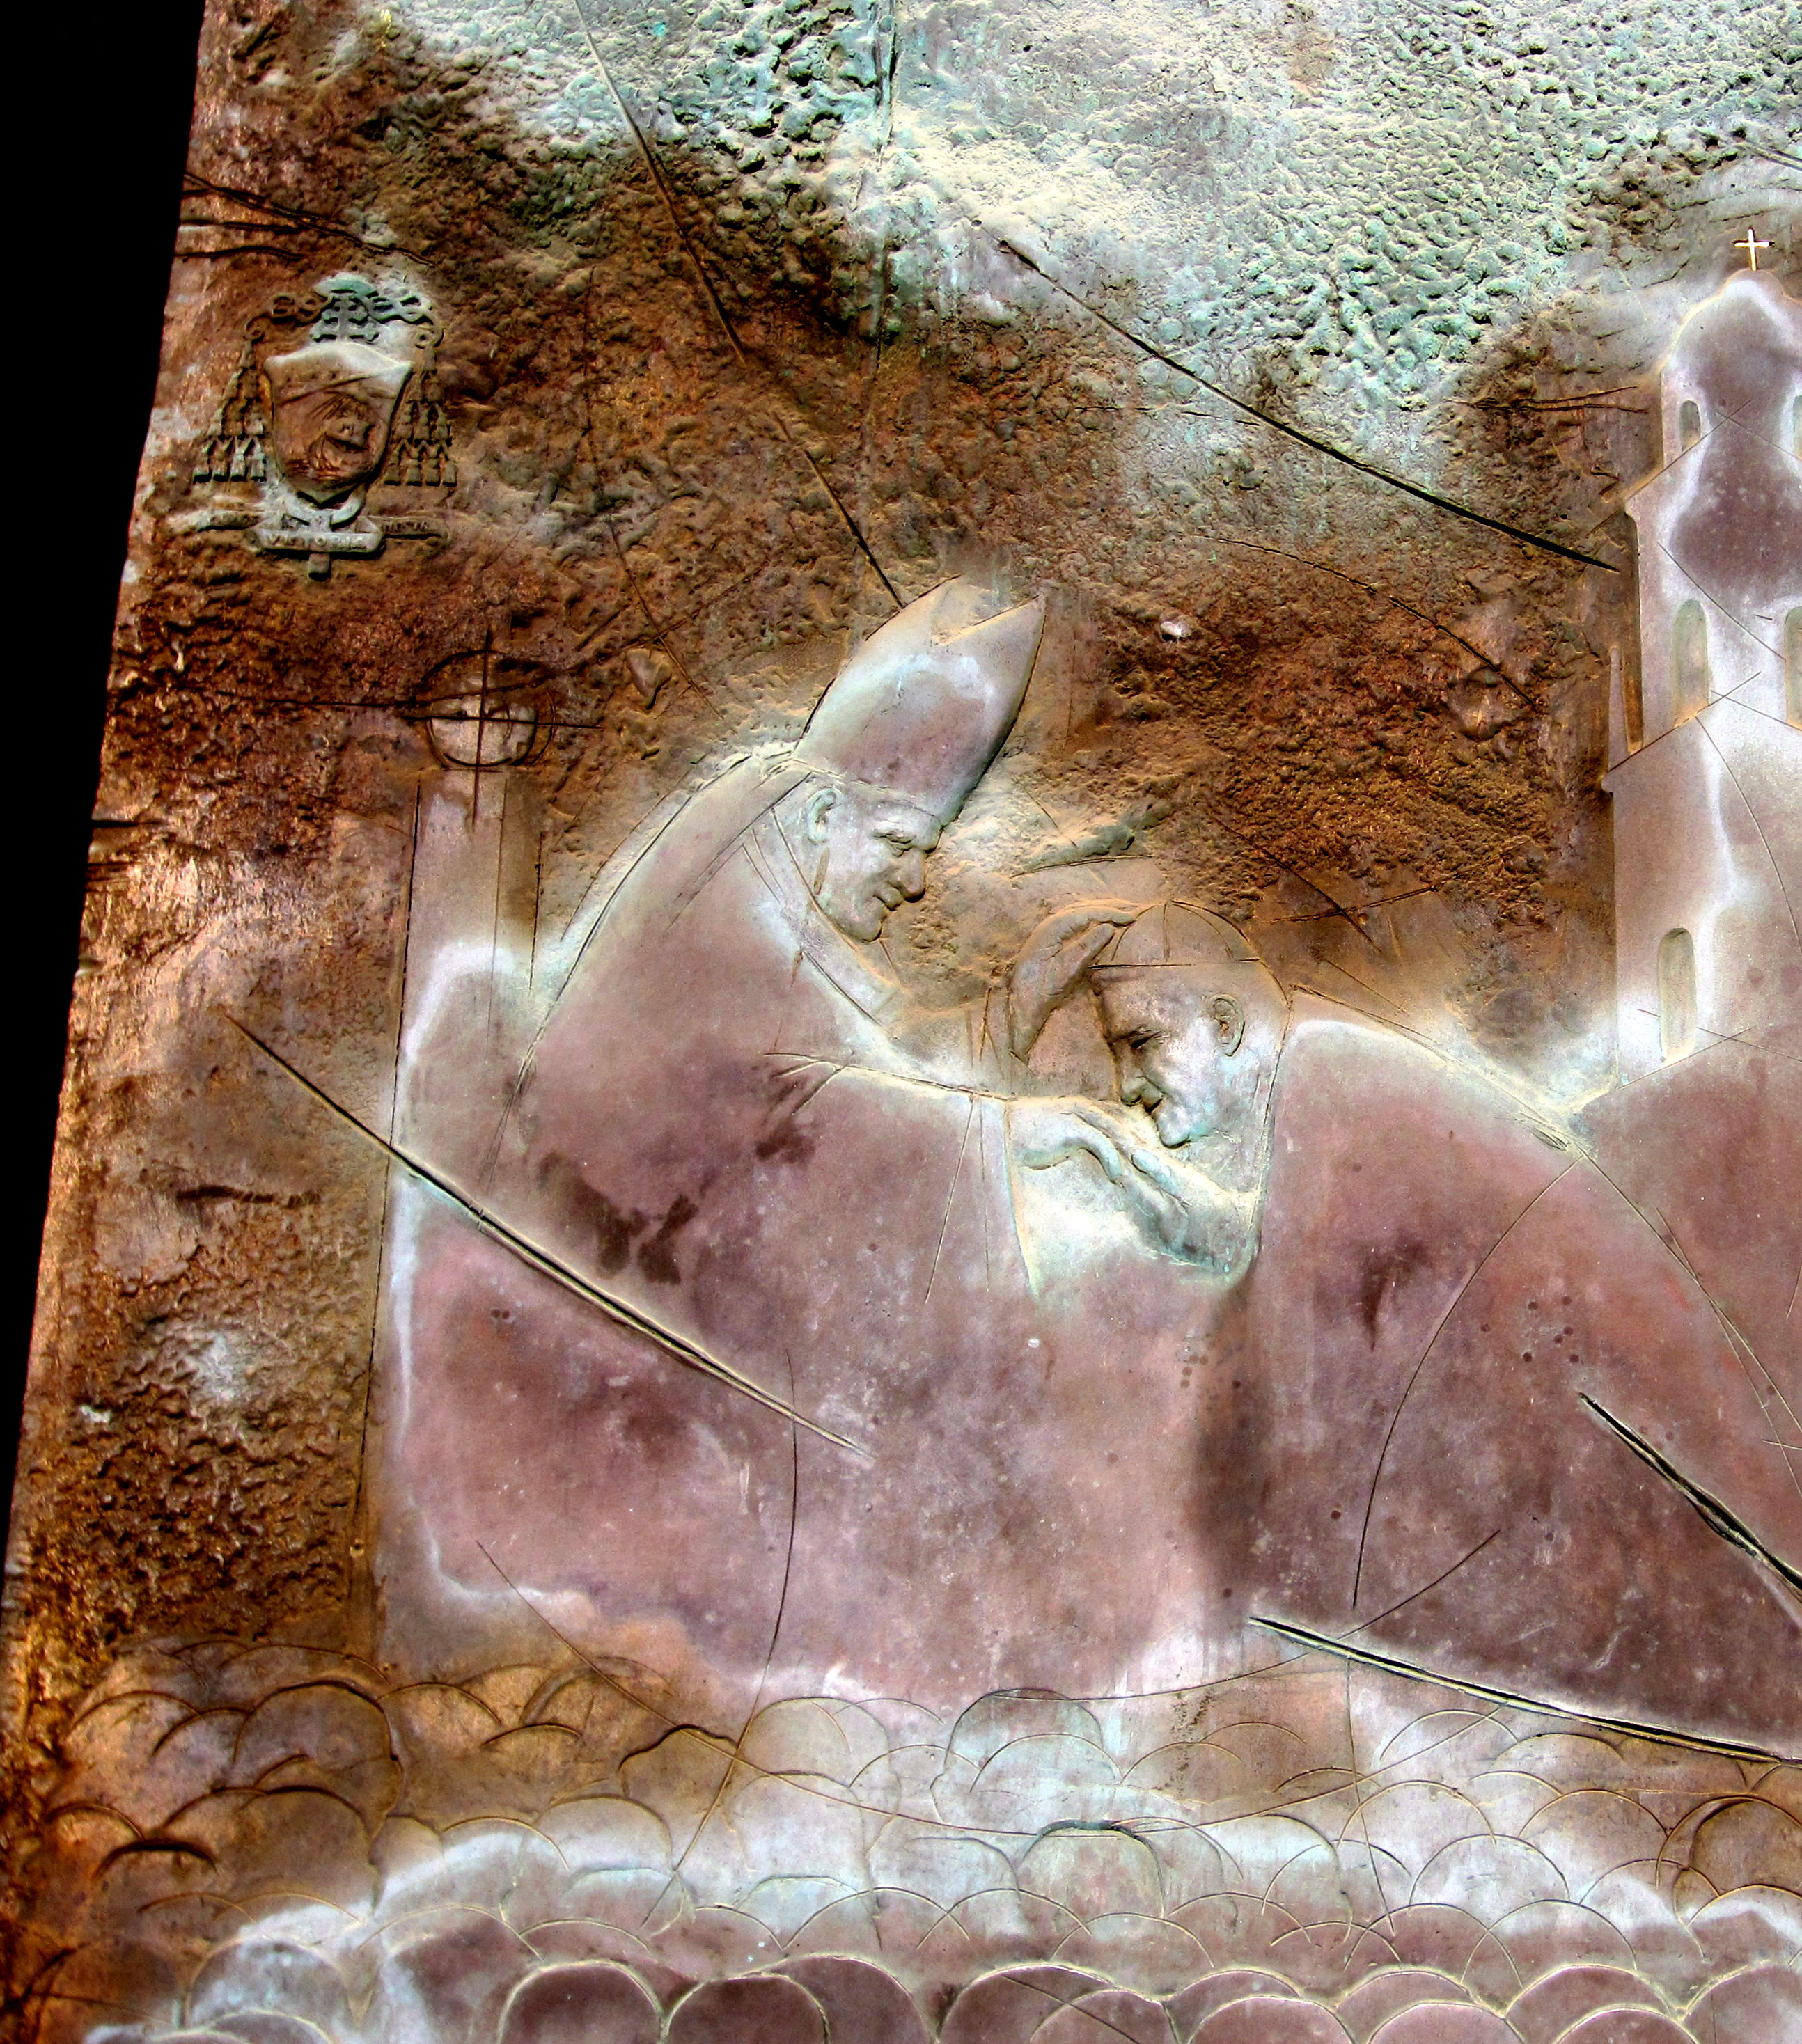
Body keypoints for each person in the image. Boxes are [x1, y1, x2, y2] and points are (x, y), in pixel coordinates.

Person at [376, 588, 1197, 1715]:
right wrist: (1006, 1134)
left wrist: (1009, 1032)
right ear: (817, 821)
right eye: (902, 846)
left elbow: (851, 1080)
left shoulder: (773, 914)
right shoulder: (716, 934)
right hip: (623, 1398)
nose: (915, 882)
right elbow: (805, 1128)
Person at [1012, 902, 1802, 1769]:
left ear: (1226, 1026)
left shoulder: (1334, 1081)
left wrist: (1227, 1575)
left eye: (1141, 1043)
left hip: (1626, 1488)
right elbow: (1261, 1251)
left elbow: (1300, 1369)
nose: (1127, 1083)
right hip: (1569, 1496)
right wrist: (1112, 1160)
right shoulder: (1323, 1074)